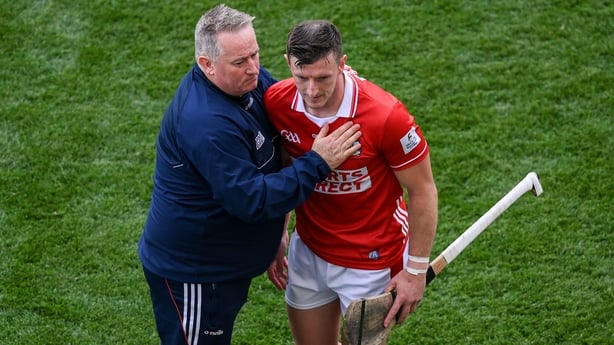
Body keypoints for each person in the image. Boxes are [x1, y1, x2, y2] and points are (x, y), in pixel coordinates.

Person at [137, 6, 362, 345]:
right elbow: (253, 200)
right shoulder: (206, 123)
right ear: (206, 65)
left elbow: (288, 106)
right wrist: (319, 161)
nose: (254, 68)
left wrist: (342, 86)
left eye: (255, 54)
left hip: (223, 263)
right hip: (195, 275)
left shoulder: (247, 83)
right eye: (240, 62)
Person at [264, 20, 438, 345]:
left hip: (370, 262)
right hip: (310, 250)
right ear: (287, 62)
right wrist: (280, 232)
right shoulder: (277, 102)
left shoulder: (386, 116)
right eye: (302, 77)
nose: (312, 91)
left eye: (323, 78)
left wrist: (415, 272)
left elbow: (422, 190)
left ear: (343, 65)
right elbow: (284, 170)